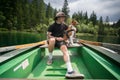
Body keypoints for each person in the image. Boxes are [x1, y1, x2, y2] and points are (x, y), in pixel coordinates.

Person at [47, 12, 84, 79]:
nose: (64, 18)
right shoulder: (52, 25)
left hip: (61, 41)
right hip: (53, 40)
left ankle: (70, 71)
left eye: (64, 17)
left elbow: (68, 33)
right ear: (58, 18)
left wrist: (70, 31)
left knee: (65, 50)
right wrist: (56, 38)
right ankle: (50, 58)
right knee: (52, 40)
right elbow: (49, 35)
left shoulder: (64, 25)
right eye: (62, 17)